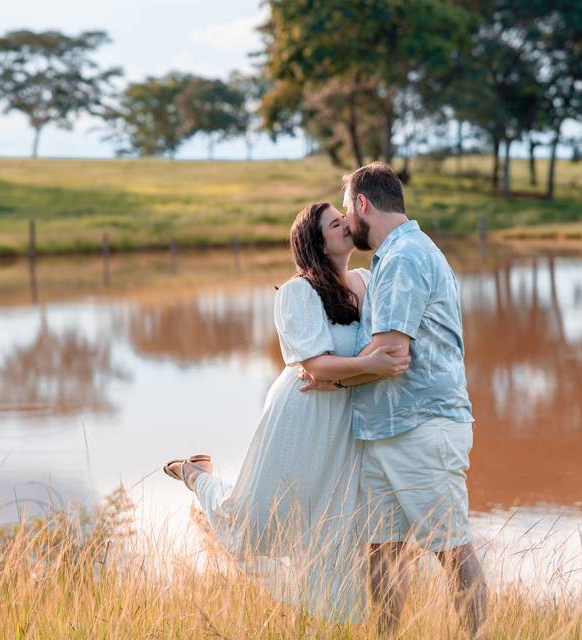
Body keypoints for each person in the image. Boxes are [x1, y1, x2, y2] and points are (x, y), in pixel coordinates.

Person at [164, 201, 409, 622]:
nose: (348, 225)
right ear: (318, 241)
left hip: (348, 418)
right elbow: (315, 366)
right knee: (258, 519)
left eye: (345, 218)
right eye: (336, 223)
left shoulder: (366, 280)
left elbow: (377, 347)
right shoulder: (299, 292)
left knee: (336, 522)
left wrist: (356, 371)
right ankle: (197, 475)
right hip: (303, 413)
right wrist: (367, 367)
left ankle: (339, 620)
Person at [300, 162, 487, 638]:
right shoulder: (390, 259)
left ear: (363, 204)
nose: (347, 221)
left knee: (450, 548)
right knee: (382, 550)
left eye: (347, 210)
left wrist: (333, 379)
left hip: (422, 426)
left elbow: (391, 352)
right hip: (385, 429)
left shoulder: (405, 256)